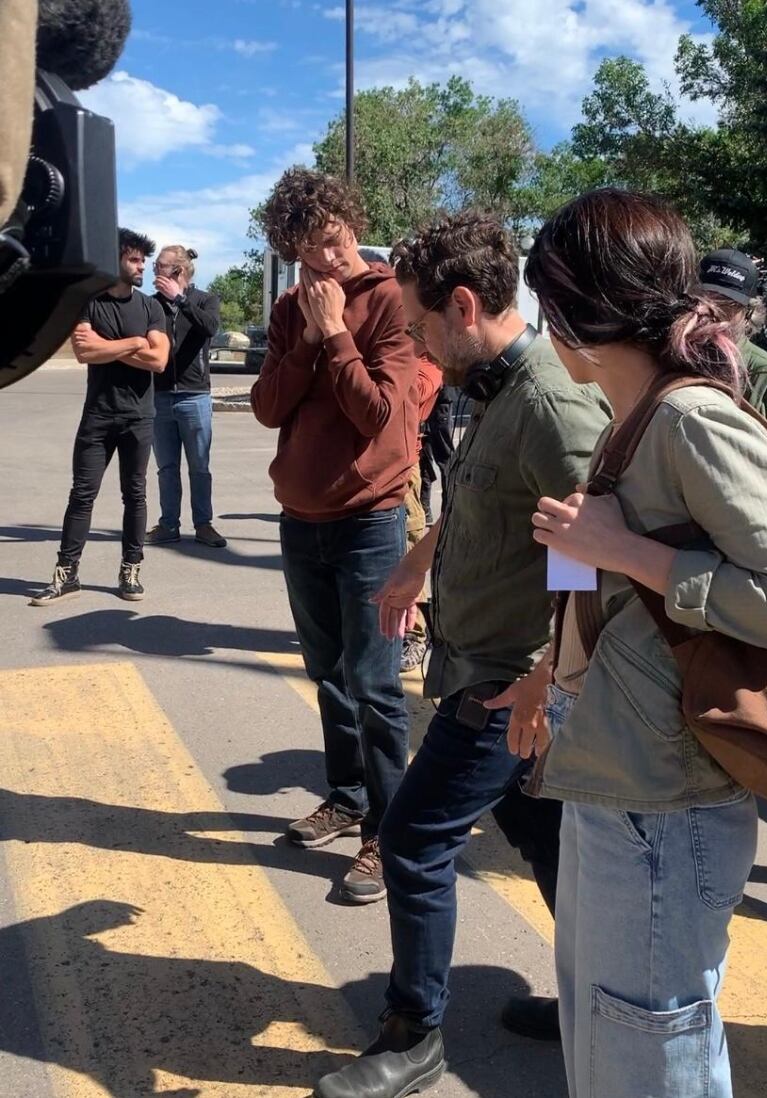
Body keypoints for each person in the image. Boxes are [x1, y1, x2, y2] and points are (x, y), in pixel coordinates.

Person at [314, 211, 609, 1098]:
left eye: (416, 321)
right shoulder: (502, 392)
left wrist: (540, 682)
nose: (411, 338)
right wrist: (419, 555)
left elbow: (596, 554)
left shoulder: (551, 404)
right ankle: (593, 1003)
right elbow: (499, 505)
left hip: (508, 681)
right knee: (541, 834)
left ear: (466, 306)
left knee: (409, 839)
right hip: (496, 669)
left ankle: (414, 1033)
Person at [512, 189, 767, 1098]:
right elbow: (615, 589)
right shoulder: (635, 418)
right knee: (608, 1030)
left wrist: (622, 549)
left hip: (666, 799)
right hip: (613, 772)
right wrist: (550, 673)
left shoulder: (688, 419)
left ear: (571, 317)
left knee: (649, 1048)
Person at [250, 168, 418, 904]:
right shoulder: (291, 307)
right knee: (327, 672)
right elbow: (266, 405)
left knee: (377, 686)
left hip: (370, 522)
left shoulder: (390, 299)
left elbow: (381, 415)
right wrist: (306, 337)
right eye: (311, 248)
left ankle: (389, 830)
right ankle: (347, 797)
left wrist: (337, 335)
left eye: (335, 237)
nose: (329, 256)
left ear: (352, 222)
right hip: (301, 519)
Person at [30, 229, 169, 606]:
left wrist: (111, 347)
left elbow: (159, 360)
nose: (141, 266)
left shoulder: (151, 307)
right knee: (82, 494)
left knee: (135, 494)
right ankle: (67, 573)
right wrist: (137, 342)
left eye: (143, 260)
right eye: (134, 260)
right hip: (98, 416)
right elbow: (84, 352)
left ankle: (130, 569)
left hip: (138, 416)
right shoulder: (88, 303)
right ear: (115, 260)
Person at [145, 245, 226, 548]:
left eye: (160, 266)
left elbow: (210, 328)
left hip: (195, 398)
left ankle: (203, 525)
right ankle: (168, 525)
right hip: (160, 397)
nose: (154, 271)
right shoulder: (151, 305)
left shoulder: (205, 300)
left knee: (199, 467)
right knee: (166, 468)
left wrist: (179, 299)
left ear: (177, 271)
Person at [699, 248, 767, 426]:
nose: (710, 311)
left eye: (726, 305)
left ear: (748, 313)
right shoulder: (673, 358)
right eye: (703, 300)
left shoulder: (766, 374)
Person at [401, 353, 442, 673]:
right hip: (365, 468)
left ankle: (416, 634)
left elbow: (410, 392)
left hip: (402, 467)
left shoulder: (426, 360)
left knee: (409, 547)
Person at [418, 384, 456, 524]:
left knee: (445, 461)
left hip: (439, 404)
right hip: (424, 406)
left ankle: (448, 510)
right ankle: (425, 508)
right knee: (424, 460)